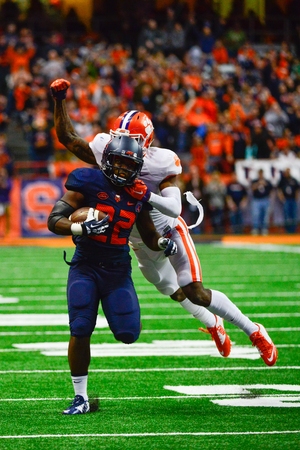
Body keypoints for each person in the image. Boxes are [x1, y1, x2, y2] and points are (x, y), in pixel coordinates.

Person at [50, 78, 278, 369]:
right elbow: (68, 137)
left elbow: (174, 206)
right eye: (118, 138)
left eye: (130, 142)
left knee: (195, 290)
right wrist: (59, 101)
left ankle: (254, 330)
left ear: (146, 145)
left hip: (168, 231)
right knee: (174, 291)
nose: (121, 147)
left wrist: (144, 193)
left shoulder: (162, 162)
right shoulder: (104, 147)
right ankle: (213, 324)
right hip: (135, 239)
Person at [47, 135, 178, 415]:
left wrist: (163, 244)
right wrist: (79, 229)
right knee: (81, 327)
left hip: (118, 270)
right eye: (117, 162)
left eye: (127, 164)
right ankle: (80, 397)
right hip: (86, 266)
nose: (121, 169)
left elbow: (150, 235)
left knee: (128, 333)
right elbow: (54, 219)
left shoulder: (139, 193)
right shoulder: (87, 181)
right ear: (106, 160)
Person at [251, 169, 273, 236]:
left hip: (265, 199)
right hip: (256, 200)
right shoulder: (255, 181)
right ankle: (256, 229)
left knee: (265, 215)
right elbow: (252, 188)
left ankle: (264, 229)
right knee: (256, 215)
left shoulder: (267, 181)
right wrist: (258, 184)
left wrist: (264, 184)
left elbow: (271, 189)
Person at [277, 168, 299, 233]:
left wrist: (296, 197)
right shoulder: (282, 180)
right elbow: (279, 190)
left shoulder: (293, 180)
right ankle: (288, 230)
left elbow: (297, 189)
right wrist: (282, 198)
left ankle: (293, 230)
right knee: (287, 215)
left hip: (293, 199)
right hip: (286, 200)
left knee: (294, 215)